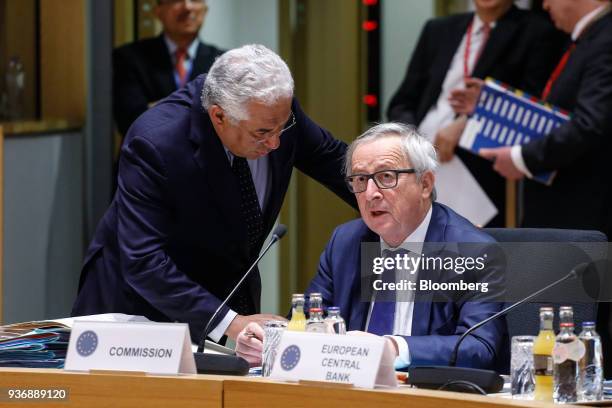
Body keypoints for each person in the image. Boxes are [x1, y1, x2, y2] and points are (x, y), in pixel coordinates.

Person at [72, 44, 356, 343]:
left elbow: (335, 160)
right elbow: (143, 261)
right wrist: (231, 323)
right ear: (219, 116)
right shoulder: (156, 142)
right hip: (137, 312)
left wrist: (395, 198)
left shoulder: (274, 115)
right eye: (261, 134)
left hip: (220, 297)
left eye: (281, 129)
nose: (275, 143)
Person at [236, 123, 506, 370]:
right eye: (361, 180)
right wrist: (271, 341)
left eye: (387, 177)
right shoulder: (346, 242)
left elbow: (480, 347)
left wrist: (390, 348)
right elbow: (307, 322)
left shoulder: (472, 251)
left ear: (425, 184)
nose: (370, 194)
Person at [387, 0, 563, 227]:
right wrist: (415, 144)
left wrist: (466, 125)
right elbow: (401, 103)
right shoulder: (438, 29)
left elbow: (531, 105)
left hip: (480, 170)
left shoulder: (537, 31)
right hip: (421, 157)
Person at [476, 0, 612, 237]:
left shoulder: (605, 39)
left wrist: (520, 158)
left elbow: (589, 125)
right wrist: (487, 101)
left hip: (584, 213)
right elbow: (557, 115)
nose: (546, 4)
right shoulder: (588, 39)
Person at [113, 0, 224, 137]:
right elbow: (130, 120)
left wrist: (157, 109)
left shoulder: (223, 62)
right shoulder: (128, 57)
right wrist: (202, 111)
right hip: (145, 155)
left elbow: (231, 122)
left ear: (205, 10)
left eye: (195, 0)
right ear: (158, 11)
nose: (187, 7)